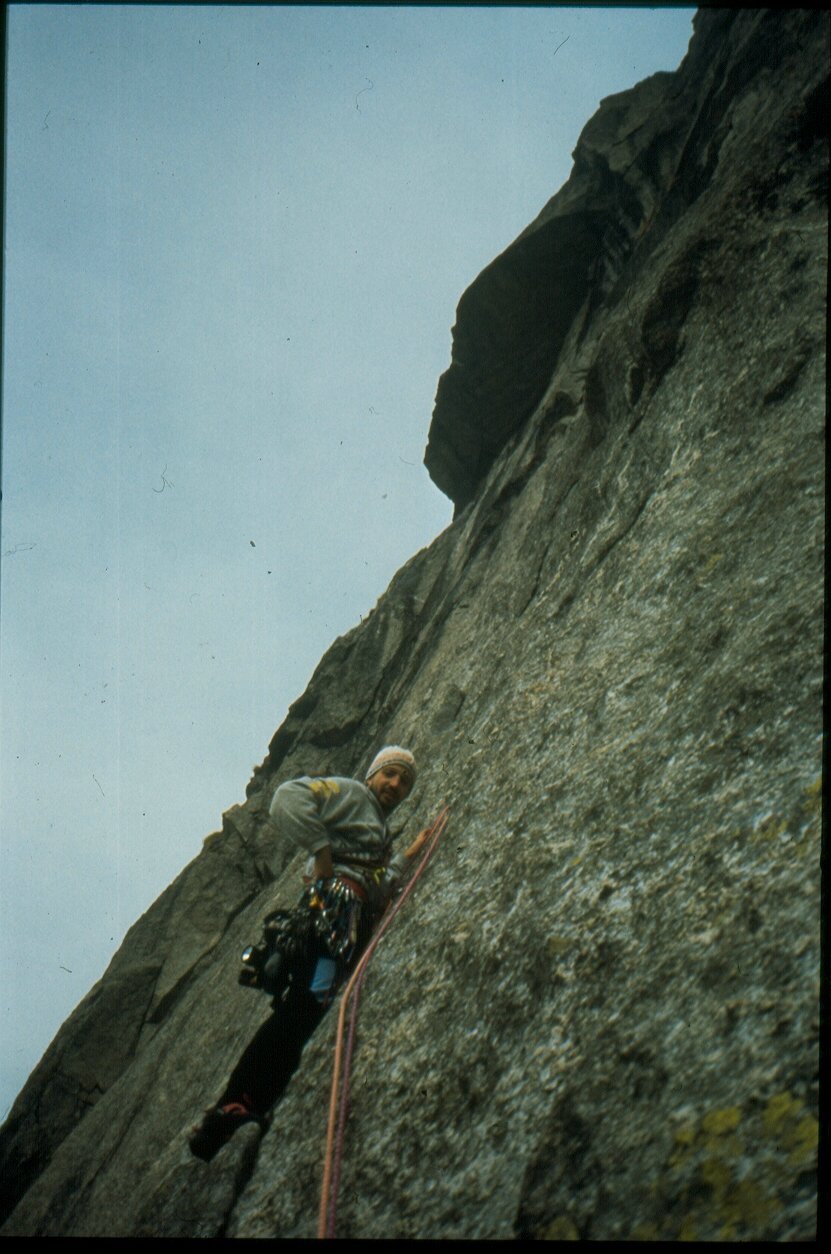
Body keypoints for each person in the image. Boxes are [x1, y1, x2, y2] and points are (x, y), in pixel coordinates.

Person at [189, 745, 428, 1161]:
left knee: (305, 1008)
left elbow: (374, 882)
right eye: (390, 774)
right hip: (329, 917)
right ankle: (234, 1105)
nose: (395, 784)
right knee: (301, 1006)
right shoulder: (352, 793)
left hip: (344, 923)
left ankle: (246, 1102)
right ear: (372, 775)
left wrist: (406, 857)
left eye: (404, 781)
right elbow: (287, 797)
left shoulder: (376, 827)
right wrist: (321, 853)